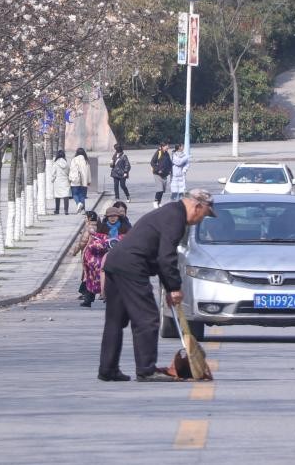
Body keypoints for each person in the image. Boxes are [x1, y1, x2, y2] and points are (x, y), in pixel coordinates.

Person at [98, 188, 217, 382]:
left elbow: (161, 257)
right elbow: (166, 257)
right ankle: (146, 370)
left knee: (115, 320)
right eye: (203, 215)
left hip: (116, 261)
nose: (200, 221)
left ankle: (107, 369)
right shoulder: (176, 218)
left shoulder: (170, 212)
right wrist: (174, 288)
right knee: (147, 318)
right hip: (132, 265)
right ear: (197, 207)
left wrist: (170, 288)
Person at [74, 210, 99, 301]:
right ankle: (87, 292)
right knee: (89, 272)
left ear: (89, 218)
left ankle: (86, 292)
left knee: (87, 272)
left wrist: (74, 251)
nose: (84, 219)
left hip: (88, 253)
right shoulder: (98, 226)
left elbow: (82, 242)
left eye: (85, 217)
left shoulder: (89, 228)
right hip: (96, 252)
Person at [149, 141, 172, 208]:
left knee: (162, 190)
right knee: (160, 189)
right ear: (162, 147)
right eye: (166, 146)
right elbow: (152, 162)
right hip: (157, 174)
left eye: (168, 145)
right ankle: (155, 201)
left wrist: (170, 170)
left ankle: (159, 202)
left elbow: (169, 163)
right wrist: (157, 170)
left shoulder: (167, 153)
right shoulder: (158, 152)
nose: (168, 147)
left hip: (164, 174)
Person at [69, 148, 91, 213]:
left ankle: (78, 203)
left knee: (75, 194)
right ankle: (83, 210)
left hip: (75, 181)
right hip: (84, 182)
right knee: (82, 196)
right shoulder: (86, 160)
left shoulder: (74, 160)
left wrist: (70, 178)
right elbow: (88, 171)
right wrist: (89, 181)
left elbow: (71, 170)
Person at [51, 149, 72, 214]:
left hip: (58, 181)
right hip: (65, 181)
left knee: (57, 196)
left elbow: (53, 173)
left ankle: (57, 210)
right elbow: (69, 172)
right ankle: (66, 211)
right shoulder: (66, 163)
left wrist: (52, 179)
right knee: (66, 196)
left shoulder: (56, 163)